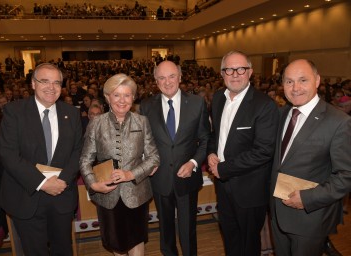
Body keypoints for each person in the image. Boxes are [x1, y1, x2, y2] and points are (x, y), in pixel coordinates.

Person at [0, 63, 83, 255]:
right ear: (33, 84)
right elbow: (8, 154)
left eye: (56, 82)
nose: (51, 87)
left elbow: (79, 151)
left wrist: (63, 180)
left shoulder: (72, 113)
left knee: (63, 250)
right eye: (44, 81)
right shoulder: (14, 111)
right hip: (26, 195)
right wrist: (42, 183)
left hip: (62, 194)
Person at [270, 59, 351, 256]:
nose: (295, 87)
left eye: (303, 80)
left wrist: (308, 198)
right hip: (276, 214)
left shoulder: (339, 122)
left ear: (317, 81)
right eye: (289, 81)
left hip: (310, 219)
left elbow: (346, 175)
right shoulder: (281, 114)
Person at [207, 50, 279, 256]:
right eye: (229, 69)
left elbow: (264, 151)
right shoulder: (219, 97)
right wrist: (211, 152)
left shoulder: (264, 105)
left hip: (249, 189)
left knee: (248, 243)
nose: (235, 74)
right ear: (222, 73)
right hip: (223, 186)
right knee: (229, 236)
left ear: (250, 72)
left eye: (241, 69)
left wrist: (223, 168)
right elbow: (216, 134)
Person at [79, 73, 160, 256]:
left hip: (137, 193)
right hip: (108, 195)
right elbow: (85, 160)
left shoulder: (142, 121)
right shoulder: (96, 124)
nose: (122, 100)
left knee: (137, 240)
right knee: (116, 244)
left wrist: (130, 174)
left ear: (133, 97)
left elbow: (154, 157)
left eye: (127, 95)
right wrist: (93, 184)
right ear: (107, 97)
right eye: (116, 95)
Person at [140, 60, 210, 256]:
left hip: (187, 178)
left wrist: (194, 162)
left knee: (188, 230)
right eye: (161, 77)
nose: (167, 81)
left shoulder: (197, 103)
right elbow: (144, 143)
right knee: (166, 231)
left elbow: (205, 139)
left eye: (172, 76)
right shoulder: (146, 106)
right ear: (155, 80)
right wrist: (147, 161)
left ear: (180, 77)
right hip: (160, 178)